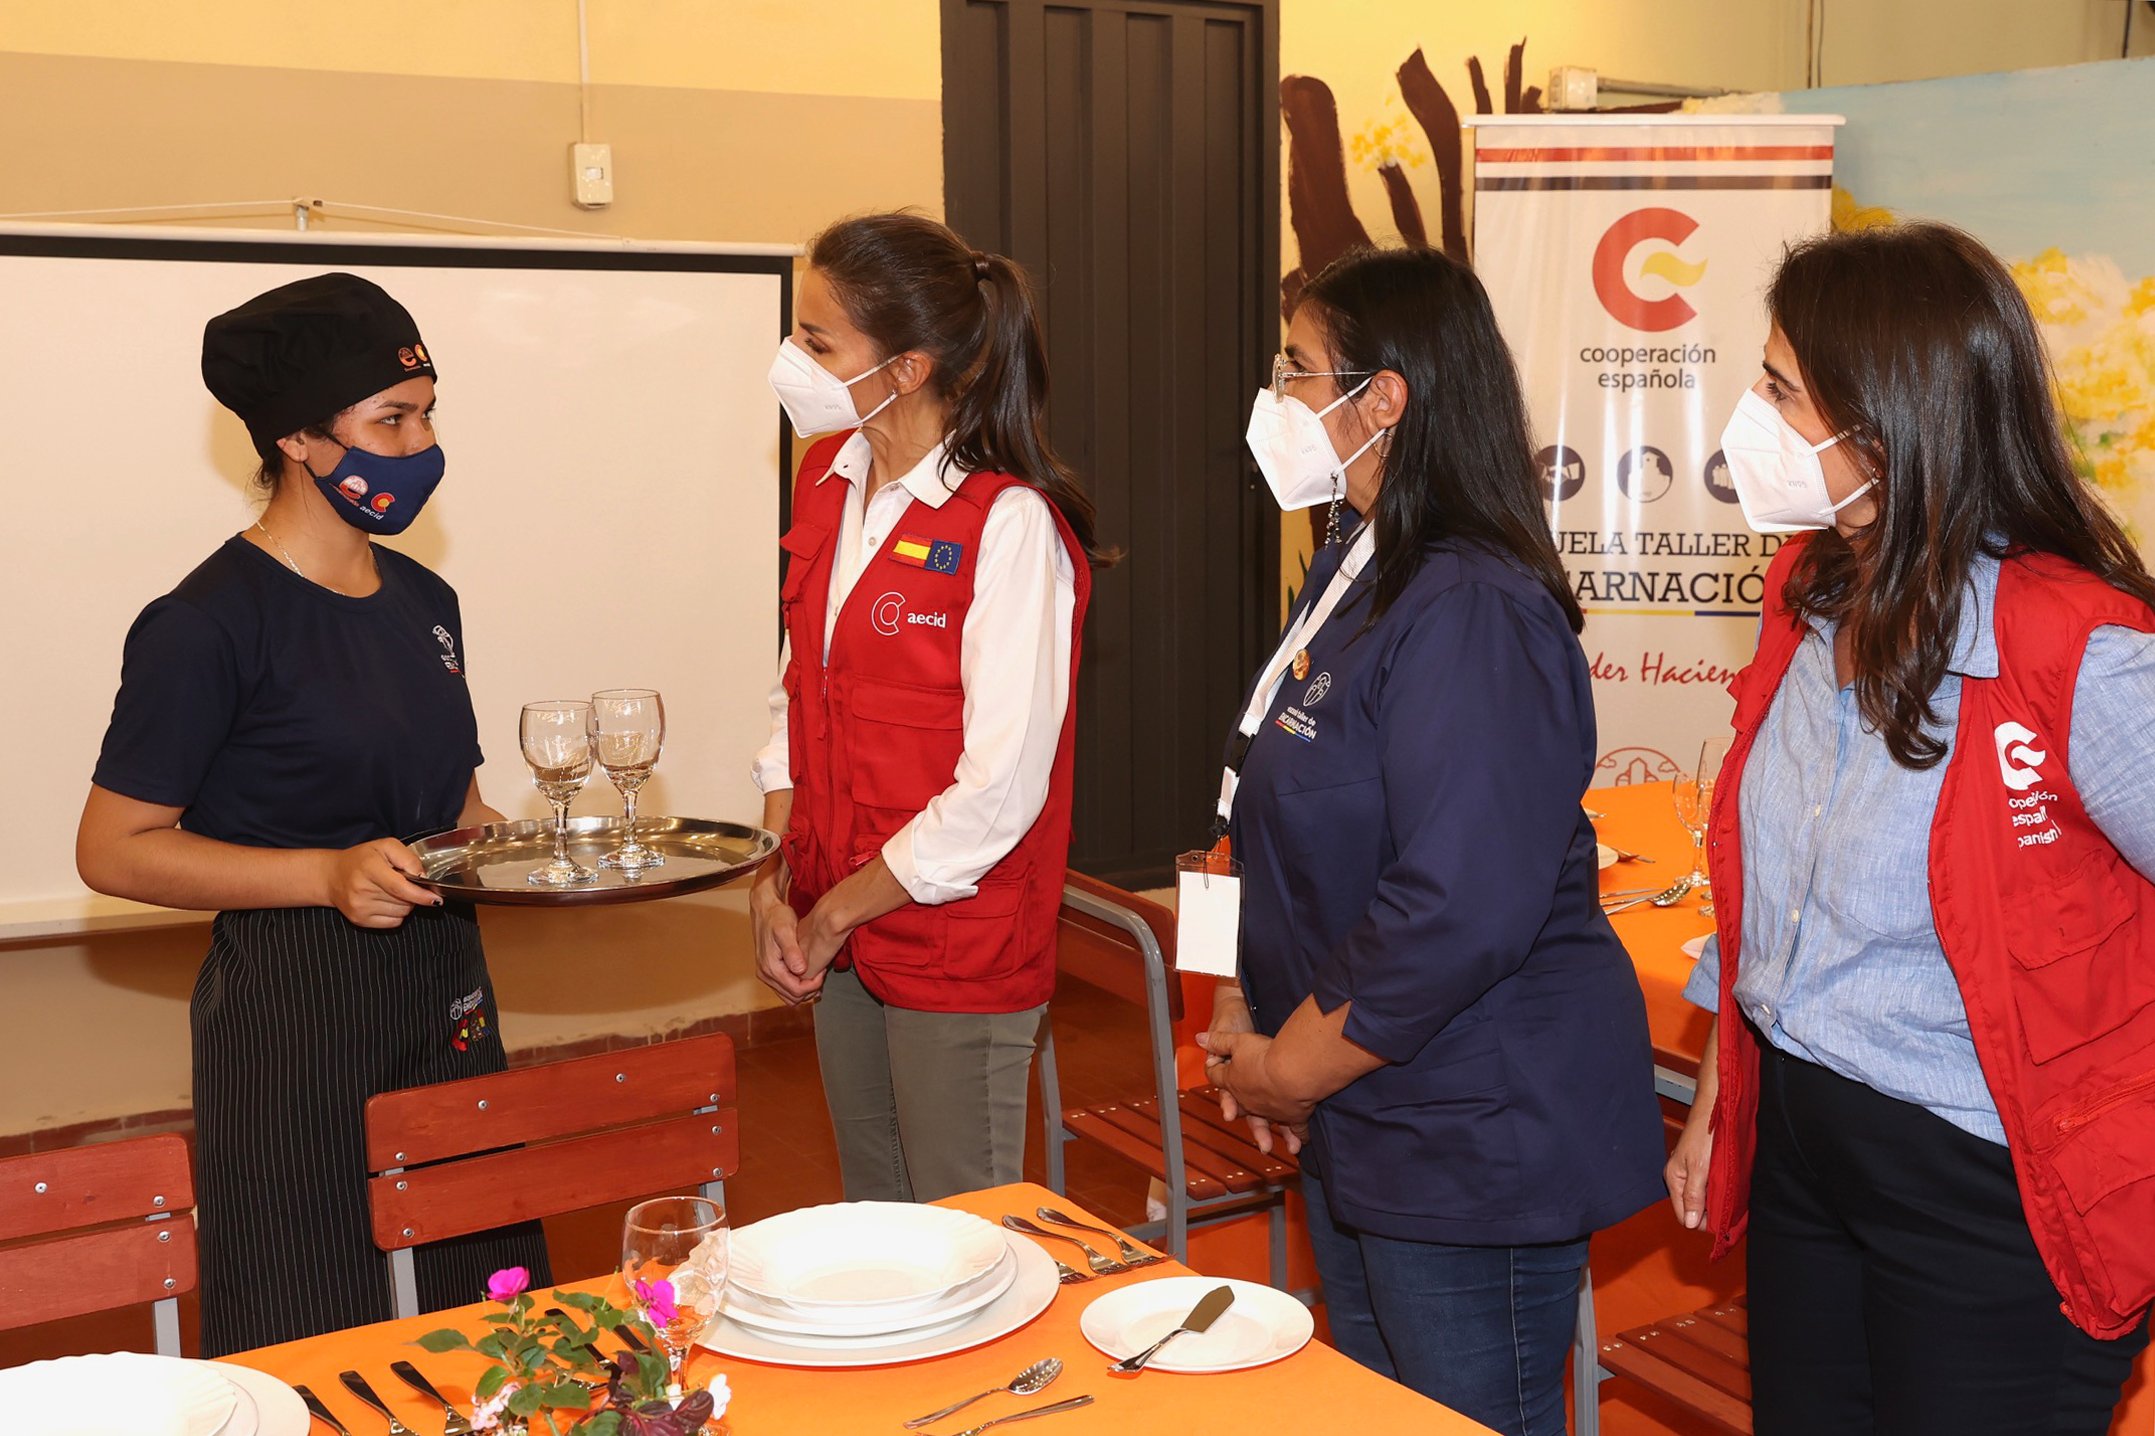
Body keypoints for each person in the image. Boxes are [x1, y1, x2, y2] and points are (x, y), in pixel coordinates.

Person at [1665, 222, 2155, 1435]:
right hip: (1808, 1147)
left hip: (1988, 1189)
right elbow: (1765, 888)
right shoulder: (1806, 589)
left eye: (1779, 387)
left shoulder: (2075, 649)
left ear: (1881, 423)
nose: (1751, 413)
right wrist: (1722, 1086)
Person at [1199, 246, 1665, 1436]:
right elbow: (1244, 798)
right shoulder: (1355, 562)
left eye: (1297, 369)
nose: (1276, 396)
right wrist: (1233, 1011)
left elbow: (1457, 902)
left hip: (1469, 1130)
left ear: (1386, 396)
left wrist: (1291, 1065)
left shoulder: (1470, 604)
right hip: (1361, 1099)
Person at [75, 273, 548, 1355]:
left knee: (491, 1317)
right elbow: (111, 847)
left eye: (427, 411)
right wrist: (324, 873)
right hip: (292, 1015)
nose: (422, 440)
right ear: (297, 438)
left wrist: (527, 847)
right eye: (392, 418)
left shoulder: (428, 602)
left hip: (447, 993)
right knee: (319, 1330)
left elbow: (457, 808)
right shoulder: (204, 623)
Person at [747, 213, 1104, 1203]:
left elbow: (997, 792)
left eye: (817, 343)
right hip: (835, 920)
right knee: (877, 1218)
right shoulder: (827, 475)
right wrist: (774, 881)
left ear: (903, 368)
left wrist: (831, 915)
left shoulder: (1008, 522)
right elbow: (795, 706)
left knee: (963, 1227)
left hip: (953, 943)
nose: (792, 360)